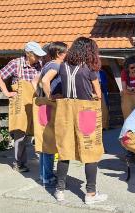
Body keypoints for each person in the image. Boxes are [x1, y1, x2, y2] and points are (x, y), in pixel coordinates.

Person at [45, 37, 107, 204]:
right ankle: (90, 193)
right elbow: (98, 93)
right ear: (89, 50)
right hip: (86, 112)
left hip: (66, 112)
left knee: (65, 151)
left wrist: (52, 96)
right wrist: (94, 96)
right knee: (90, 152)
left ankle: (59, 190)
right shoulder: (89, 68)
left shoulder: (63, 66)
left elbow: (48, 82)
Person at [0, 41, 46, 172]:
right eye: (36, 55)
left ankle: (44, 161)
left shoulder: (40, 65)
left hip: (35, 100)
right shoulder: (15, 64)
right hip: (21, 102)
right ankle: (18, 163)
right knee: (20, 132)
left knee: (39, 130)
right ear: (28, 54)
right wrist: (7, 93)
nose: (39, 58)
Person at [32, 42, 67, 187]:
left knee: (45, 142)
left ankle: (43, 174)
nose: (68, 55)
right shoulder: (56, 65)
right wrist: (50, 96)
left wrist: (41, 95)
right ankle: (47, 177)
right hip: (50, 107)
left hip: (43, 106)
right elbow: (45, 81)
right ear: (59, 54)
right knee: (50, 144)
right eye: (66, 52)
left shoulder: (47, 64)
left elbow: (35, 81)